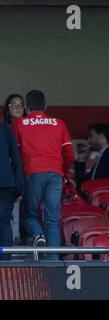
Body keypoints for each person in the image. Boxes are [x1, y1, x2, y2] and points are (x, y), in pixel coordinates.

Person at [12, 90, 75, 260]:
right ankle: (53, 262)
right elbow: (69, 153)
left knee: (29, 216)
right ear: (45, 105)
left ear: (26, 106)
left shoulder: (19, 124)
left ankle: (38, 235)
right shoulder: (58, 123)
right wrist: (66, 172)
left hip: (32, 173)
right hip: (55, 174)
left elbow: (15, 154)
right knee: (52, 220)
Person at [3, 94, 27, 245]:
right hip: (9, 176)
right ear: (7, 109)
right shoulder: (5, 130)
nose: (18, 107)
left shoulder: (30, 127)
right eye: (13, 104)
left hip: (28, 171)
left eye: (21, 104)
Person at [0, 122, 24, 260]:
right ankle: (5, 268)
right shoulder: (5, 129)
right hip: (4, 184)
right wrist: (19, 187)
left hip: (4, 185)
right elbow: (16, 159)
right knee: (3, 223)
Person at [75, 123, 109, 189]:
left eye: (91, 136)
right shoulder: (99, 159)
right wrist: (81, 159)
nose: (89, 140)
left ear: (102, 137)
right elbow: (83, 183)